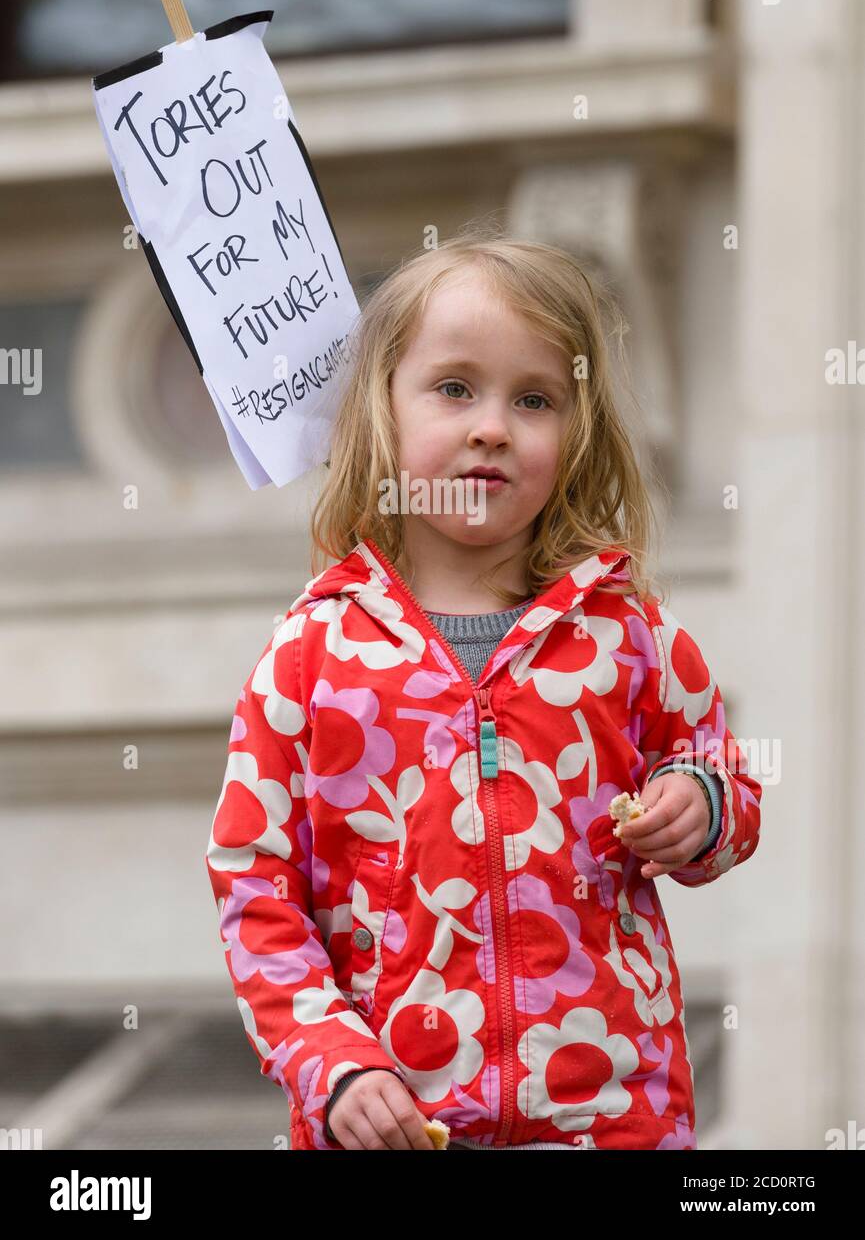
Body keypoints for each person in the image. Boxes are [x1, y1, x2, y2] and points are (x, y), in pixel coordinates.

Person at [204, 227, 762, 1150]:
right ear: (381, 409)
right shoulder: (311, 651)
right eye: (454, 387)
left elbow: (727, 779)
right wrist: (331, 1061)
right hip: (395, 1123)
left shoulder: (628, 634)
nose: (492, 426)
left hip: (612, 1117)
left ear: (576, 437)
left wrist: (699, 803)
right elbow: (253, 885)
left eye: (534, 399)